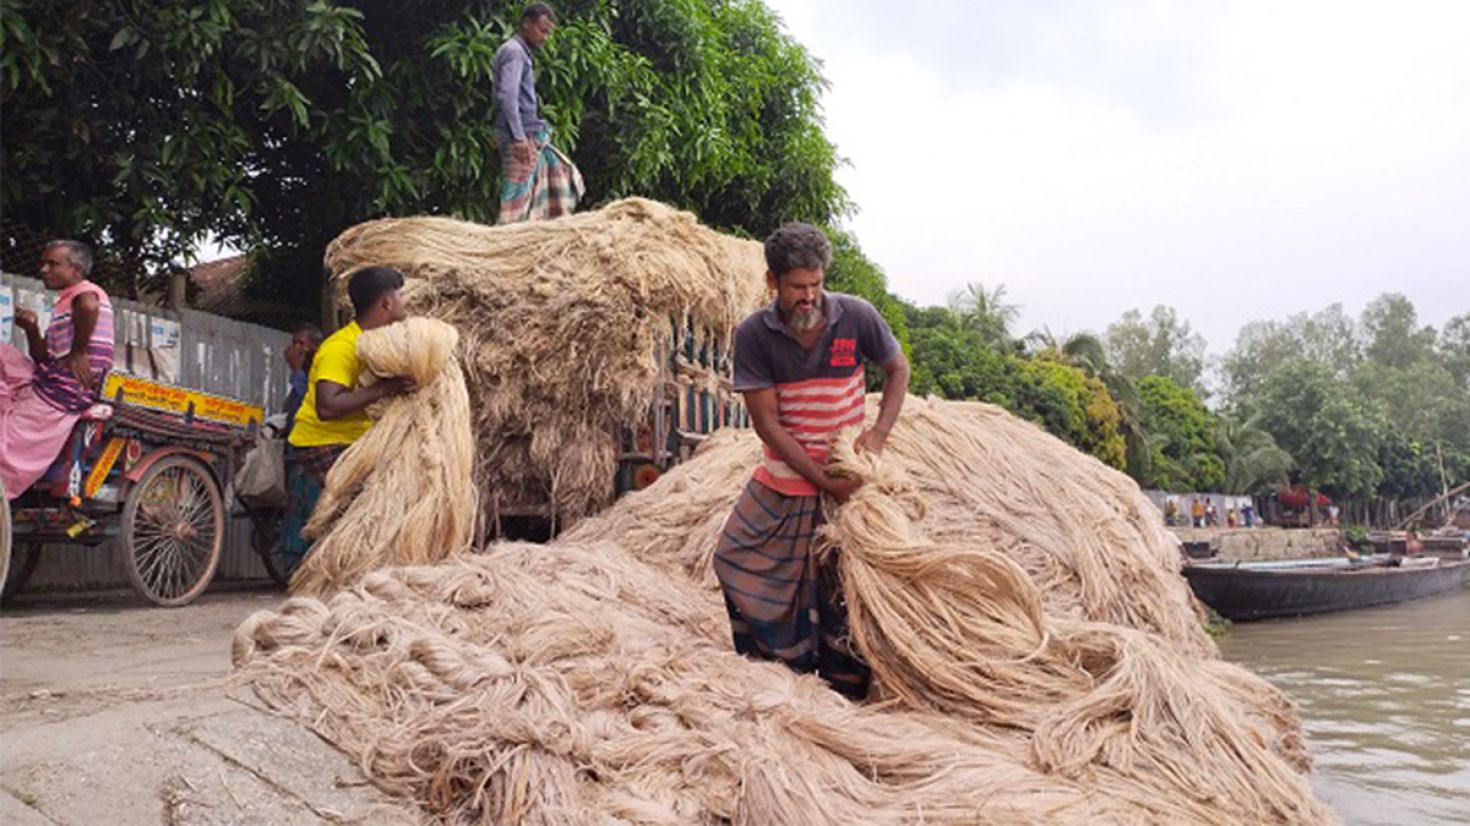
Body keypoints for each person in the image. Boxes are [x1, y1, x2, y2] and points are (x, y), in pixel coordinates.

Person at [713, 222, 910, 701]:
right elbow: (768, 425)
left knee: (841, 587)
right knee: (734, 557)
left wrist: (877, 435)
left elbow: (897, 369)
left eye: (816, 284)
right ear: (772, 283)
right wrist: (820, 479)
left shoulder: (857, 316)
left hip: (848, 478)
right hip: (786, 479)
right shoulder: (755, 334)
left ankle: (847, 689)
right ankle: (783, 669)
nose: (809, 297)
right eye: (797, 287)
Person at [2, 240, 114, 500]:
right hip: (49, 379)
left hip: (63, 392)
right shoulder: (64, 304)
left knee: (7, 437)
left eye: (53, 264)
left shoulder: (85, 292)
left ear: (76, 270)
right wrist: (32, 330)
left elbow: (89, 306)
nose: (43, 269)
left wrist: (78, 352)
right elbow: (43, 358)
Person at [287, 267, 416, 486]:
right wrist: (386, 388)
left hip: (353, 440)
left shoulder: (380, 343)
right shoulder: (342, 347)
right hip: (323, 442)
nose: (406, 302)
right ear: (387, 303)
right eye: (401, 296)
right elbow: (327, 406)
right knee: (375, 499)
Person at [492, 3, 584, 223]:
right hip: (520, 135)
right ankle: (505, 244)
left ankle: (526, 238)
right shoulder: (514, 52)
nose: (545, 37)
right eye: (542, 30)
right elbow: (507, 96)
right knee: (516, 198)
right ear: (526, 24)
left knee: (535, 190)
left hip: (526, 132)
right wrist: (519, 137)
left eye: (549, 33)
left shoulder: (520, 52)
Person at [282, 322, 324, 436]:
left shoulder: (322, 367)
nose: (296, 348)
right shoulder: (304, 371)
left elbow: (307, 398)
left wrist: (296, 370)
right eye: (294, 343)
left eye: (301, 343)